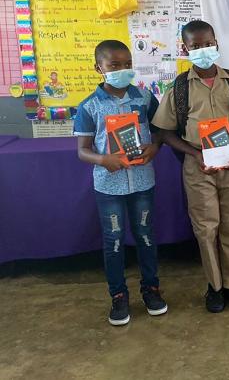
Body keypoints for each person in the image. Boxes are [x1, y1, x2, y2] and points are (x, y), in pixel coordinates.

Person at [153, 20, 229, 312]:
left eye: (207, 44)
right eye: (195, 46)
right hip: (198, 165)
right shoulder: (179, 89)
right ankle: (215, 287)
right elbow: (165, 132)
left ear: (216, 44)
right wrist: (195, 154)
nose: (203, 50)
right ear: (184, 49)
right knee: (206, 227)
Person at [74, 40, 167, 326]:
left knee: (146, 235)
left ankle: (151, 289)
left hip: (141, 181)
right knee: (113, 241)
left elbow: (161, 132)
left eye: (127, 64)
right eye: (114, 65)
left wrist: (155, 148)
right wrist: (104, 160)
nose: (122, 69)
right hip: (109, 184)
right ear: (98, 68)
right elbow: (83, 150)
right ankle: (118, 295)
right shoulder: (89, 106)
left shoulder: (144, 98)